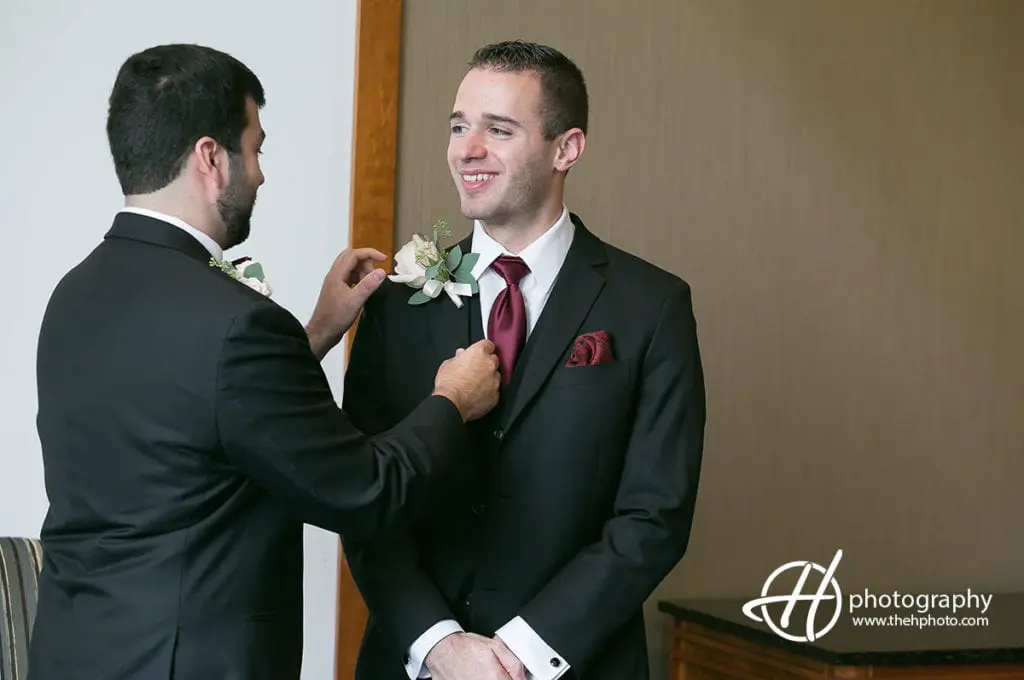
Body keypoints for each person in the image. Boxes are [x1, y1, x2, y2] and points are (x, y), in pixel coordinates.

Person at [27, 43, 501, 680]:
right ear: (210, 159)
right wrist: (453, 401)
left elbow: (192, 416)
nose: (260, 172)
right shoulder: (235, 324)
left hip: (76, 652)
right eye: (254, 147)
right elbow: (363, 490)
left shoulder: (76, 293)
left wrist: (317, 331)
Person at [341, 40, 707, 680]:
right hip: (418, 665)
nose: (466, 149)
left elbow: (655, 515)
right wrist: (441, 646)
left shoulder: (652, 305)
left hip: (576, 664)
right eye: (459, 126)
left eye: (498, 129)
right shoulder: (397, 303)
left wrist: (523, 655)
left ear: (566, 147)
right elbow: (366, 496)